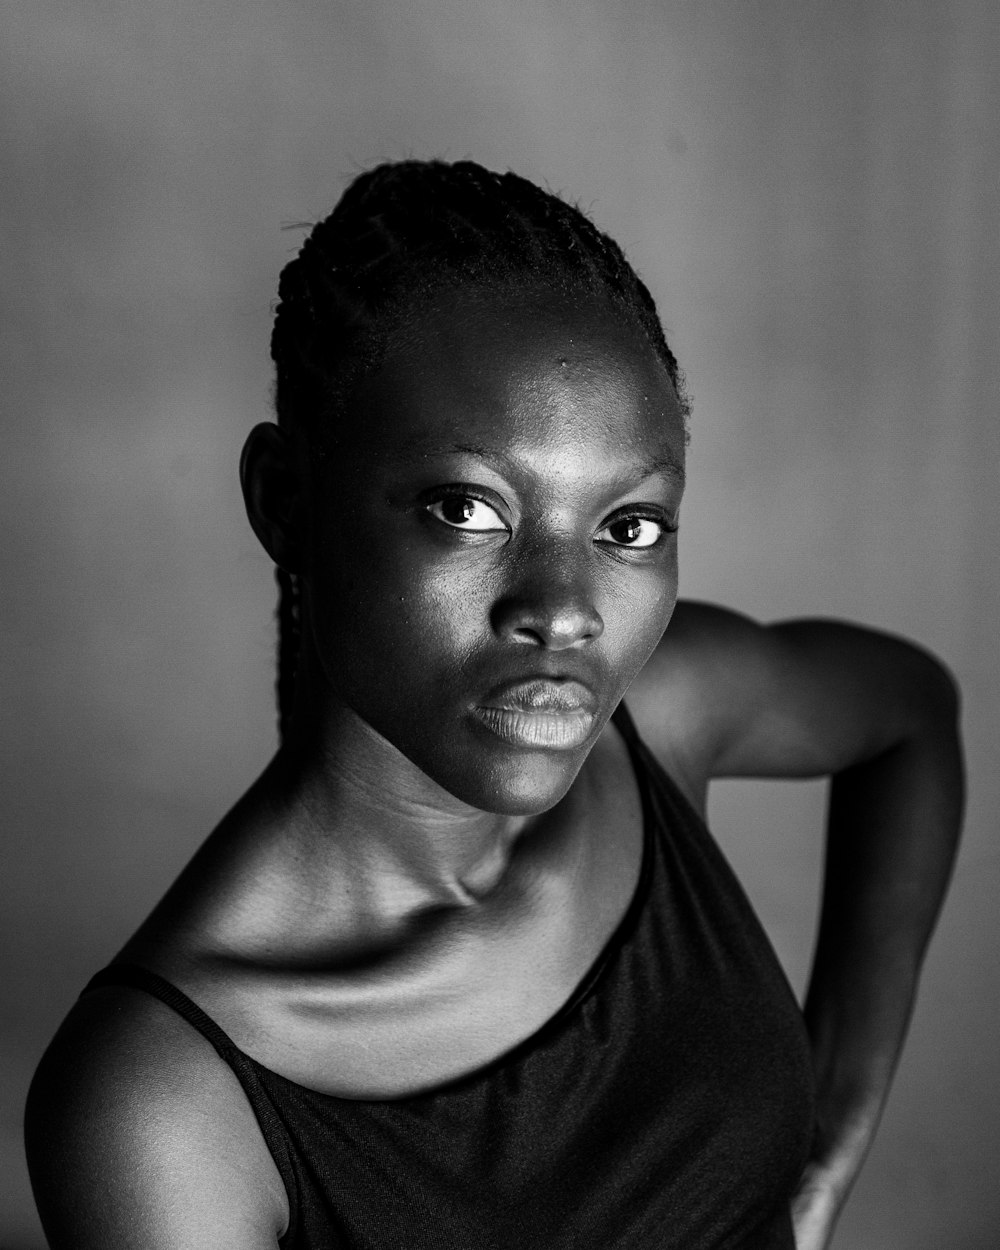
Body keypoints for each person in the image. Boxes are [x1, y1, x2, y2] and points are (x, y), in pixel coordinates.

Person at [25, 159, 963, 1250]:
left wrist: (825, 1161)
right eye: (467, 508)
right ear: (287, 501)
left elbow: (910, 711)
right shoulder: (165, 1103)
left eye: (629, 527)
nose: (564, 612)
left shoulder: (661, 714)